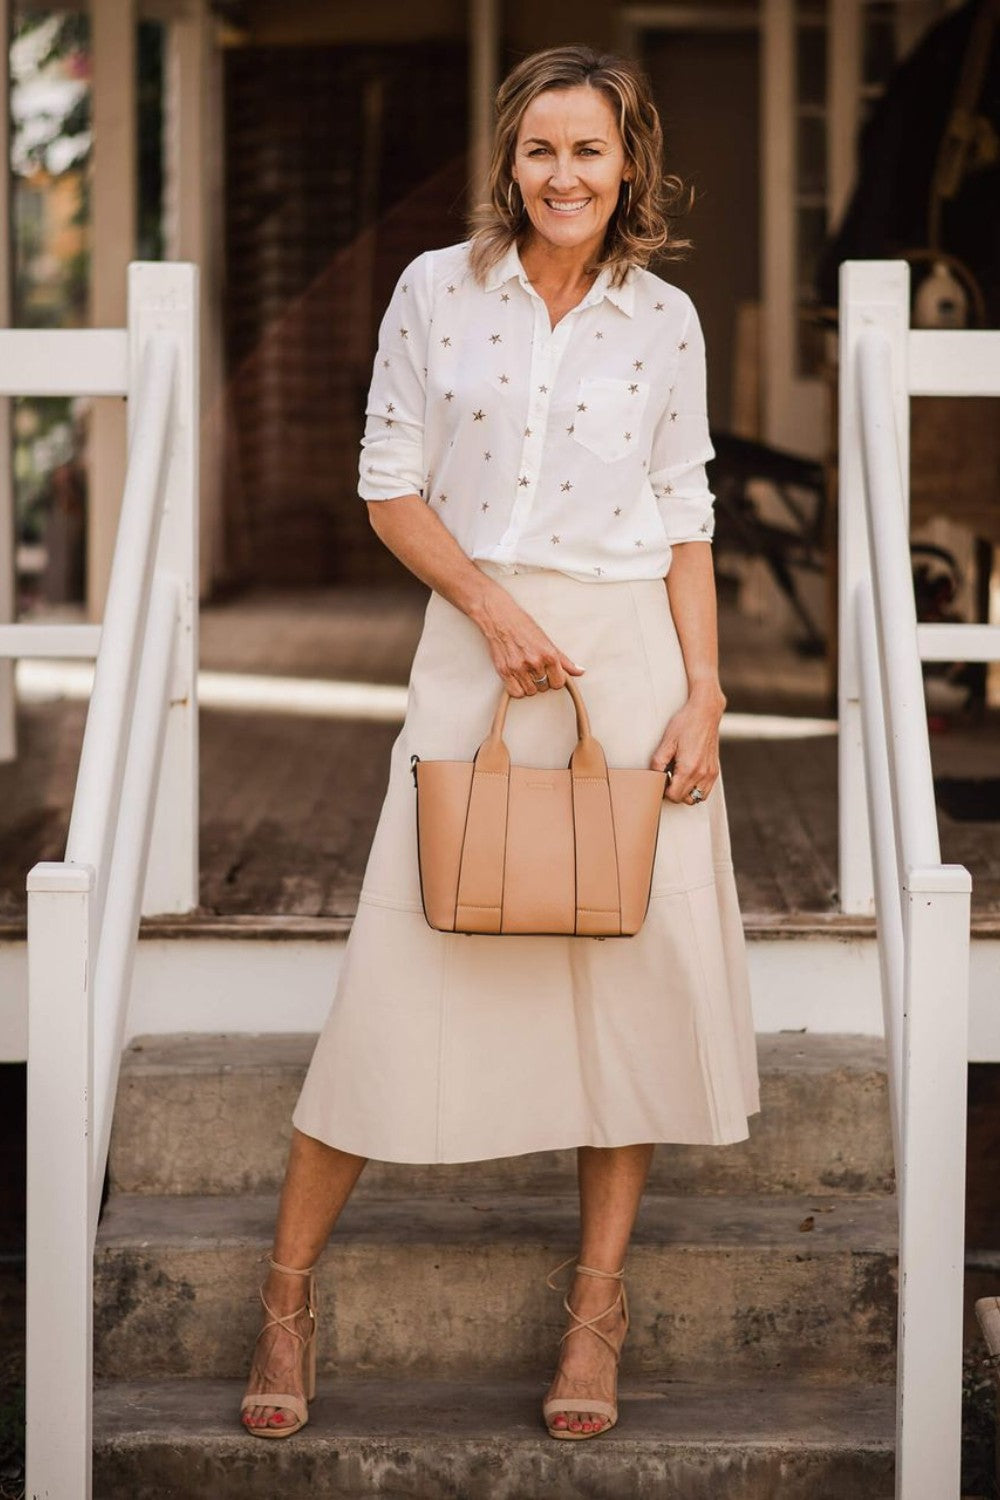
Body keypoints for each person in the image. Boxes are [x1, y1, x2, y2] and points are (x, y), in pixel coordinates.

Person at [240, 42, 760, 1444]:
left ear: (630, 162)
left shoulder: (665, 320)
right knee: (400, 964)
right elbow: (388, 485)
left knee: (625, 982)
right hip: (477, 650)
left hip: (633, 662)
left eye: (589, 150)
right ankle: (285, 1297)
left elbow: (689, 511)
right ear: (508, 162)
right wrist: (491, 607)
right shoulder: (433, 291)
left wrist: (705, 690)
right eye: (540, 150)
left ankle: (597, 1319)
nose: (564, 175)